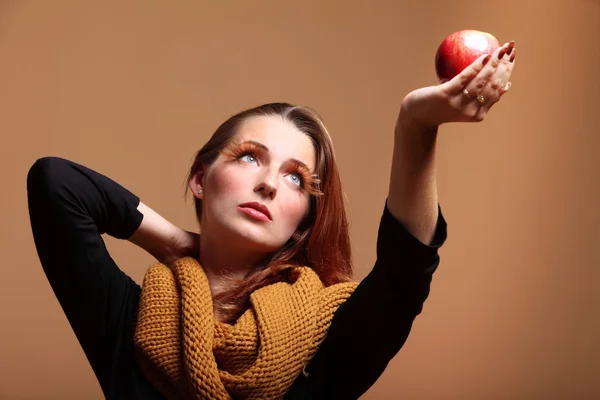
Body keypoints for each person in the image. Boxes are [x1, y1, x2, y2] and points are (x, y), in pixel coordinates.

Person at [27, 43, 515, 399]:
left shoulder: (325, 337)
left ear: (301, 222)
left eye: (297, 179)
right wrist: (177, 245)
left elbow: (405, 270)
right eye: (247, 158)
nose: (269, 184)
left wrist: (416, 123)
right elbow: (56, 184)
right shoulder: (132, 322)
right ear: (200, 178)